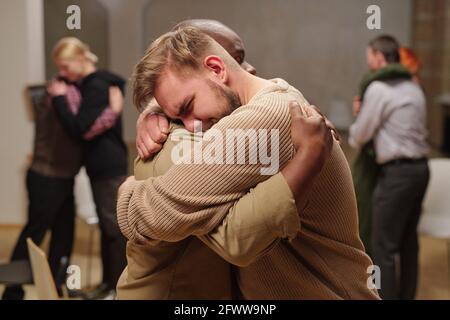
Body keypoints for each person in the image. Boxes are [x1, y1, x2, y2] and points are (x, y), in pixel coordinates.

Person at [117, 26, 379, 299]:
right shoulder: (267, 102)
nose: (190, 128)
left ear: (217, 69)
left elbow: (154, 214)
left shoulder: (267, 118)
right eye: (177, 117)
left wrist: (128, 191)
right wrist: (154, 110)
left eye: (187, 107)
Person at [2, 76, 123, 300]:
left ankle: (58, 287)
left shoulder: (65, 96)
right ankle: (12, 292)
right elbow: (81, 127)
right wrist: (112, 112)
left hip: (64, 177)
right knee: (34, 234)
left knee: (63, 235)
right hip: (47, 177)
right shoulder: (58, 98)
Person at [349, 35, 429, 299]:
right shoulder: (414, 87)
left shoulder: (379, 89)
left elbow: (359, 136)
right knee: (408, 244)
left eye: (369, 55)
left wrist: (359, 114)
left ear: (380, 58)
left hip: (396, 174)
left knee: (382, 246)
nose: (368, 61)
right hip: (420, 170)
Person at [49, 37, 128, 299]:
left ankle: (117, 290)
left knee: (114, 230)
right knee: (108, 229)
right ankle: (108, 285)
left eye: (65, 66)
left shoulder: (96, 85)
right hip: (100, 166)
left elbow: (81, 128)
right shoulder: (92, 84)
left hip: (108, 165)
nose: (63, 74)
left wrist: (60, 100)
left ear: (81, 58)